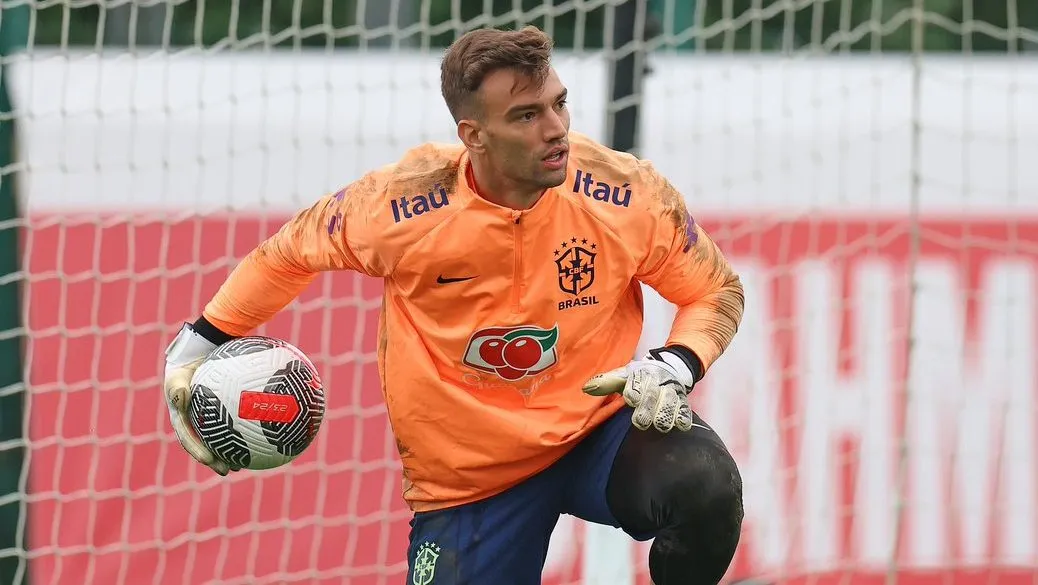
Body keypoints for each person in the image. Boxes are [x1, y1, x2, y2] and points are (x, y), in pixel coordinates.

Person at [162, 24, 746, 585]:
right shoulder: (399, 205)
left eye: (558, 104)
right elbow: (286, 254)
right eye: (526, 115)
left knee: (706, 489)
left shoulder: (624, 193)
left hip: (597, 432)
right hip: (471, 479)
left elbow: (716, 289)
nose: (556, 129)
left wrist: (676, 365)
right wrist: (196, 346)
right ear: (473, 135)